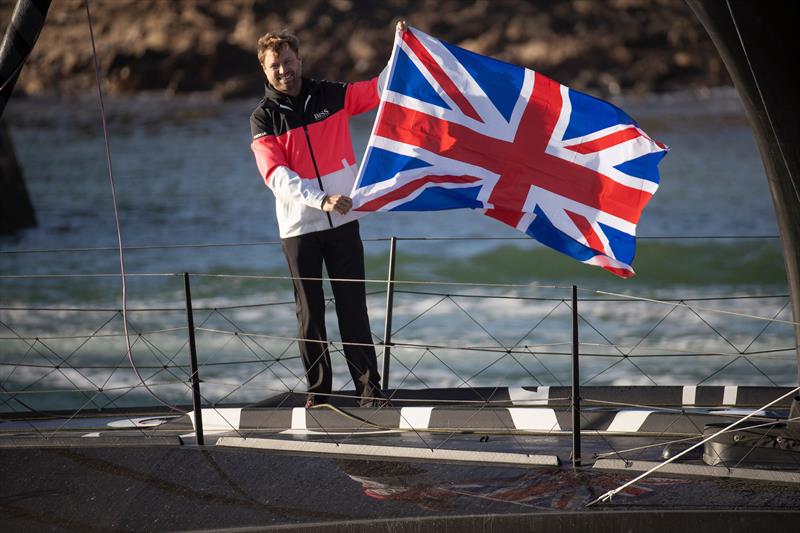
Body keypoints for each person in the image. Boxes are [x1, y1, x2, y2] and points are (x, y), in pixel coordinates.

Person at [249, 21, 406, 408]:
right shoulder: (263, 117)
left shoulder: (330, 95)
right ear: (264, 70)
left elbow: (380, 89)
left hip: (344, 221)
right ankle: (319, 394)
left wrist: (401, 45)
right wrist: (321, 200)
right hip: (300, 226)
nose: (284, 71)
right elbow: (276, 176)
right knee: (310, 314)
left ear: (299, 59)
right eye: (275, 66)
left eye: (288, 61)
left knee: (353, 306)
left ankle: (370, 391)